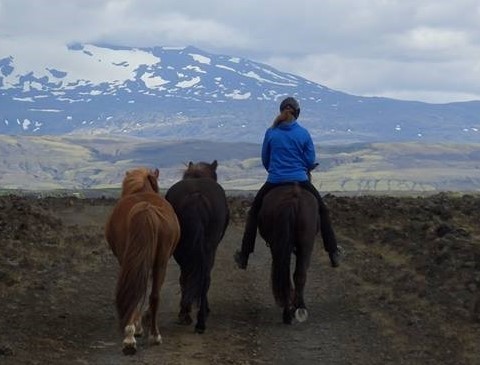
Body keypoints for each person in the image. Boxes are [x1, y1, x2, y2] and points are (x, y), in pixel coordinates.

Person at [234, 96, 342, 269]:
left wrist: (276, 171)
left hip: (274, 181)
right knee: (323, 210)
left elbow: (265, 159)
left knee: (254, 212)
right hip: (300, 179)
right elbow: (309, 160)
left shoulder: (271, 133)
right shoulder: (303, 133)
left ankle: (244, 255)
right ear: (297, 114)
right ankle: (333, 252)